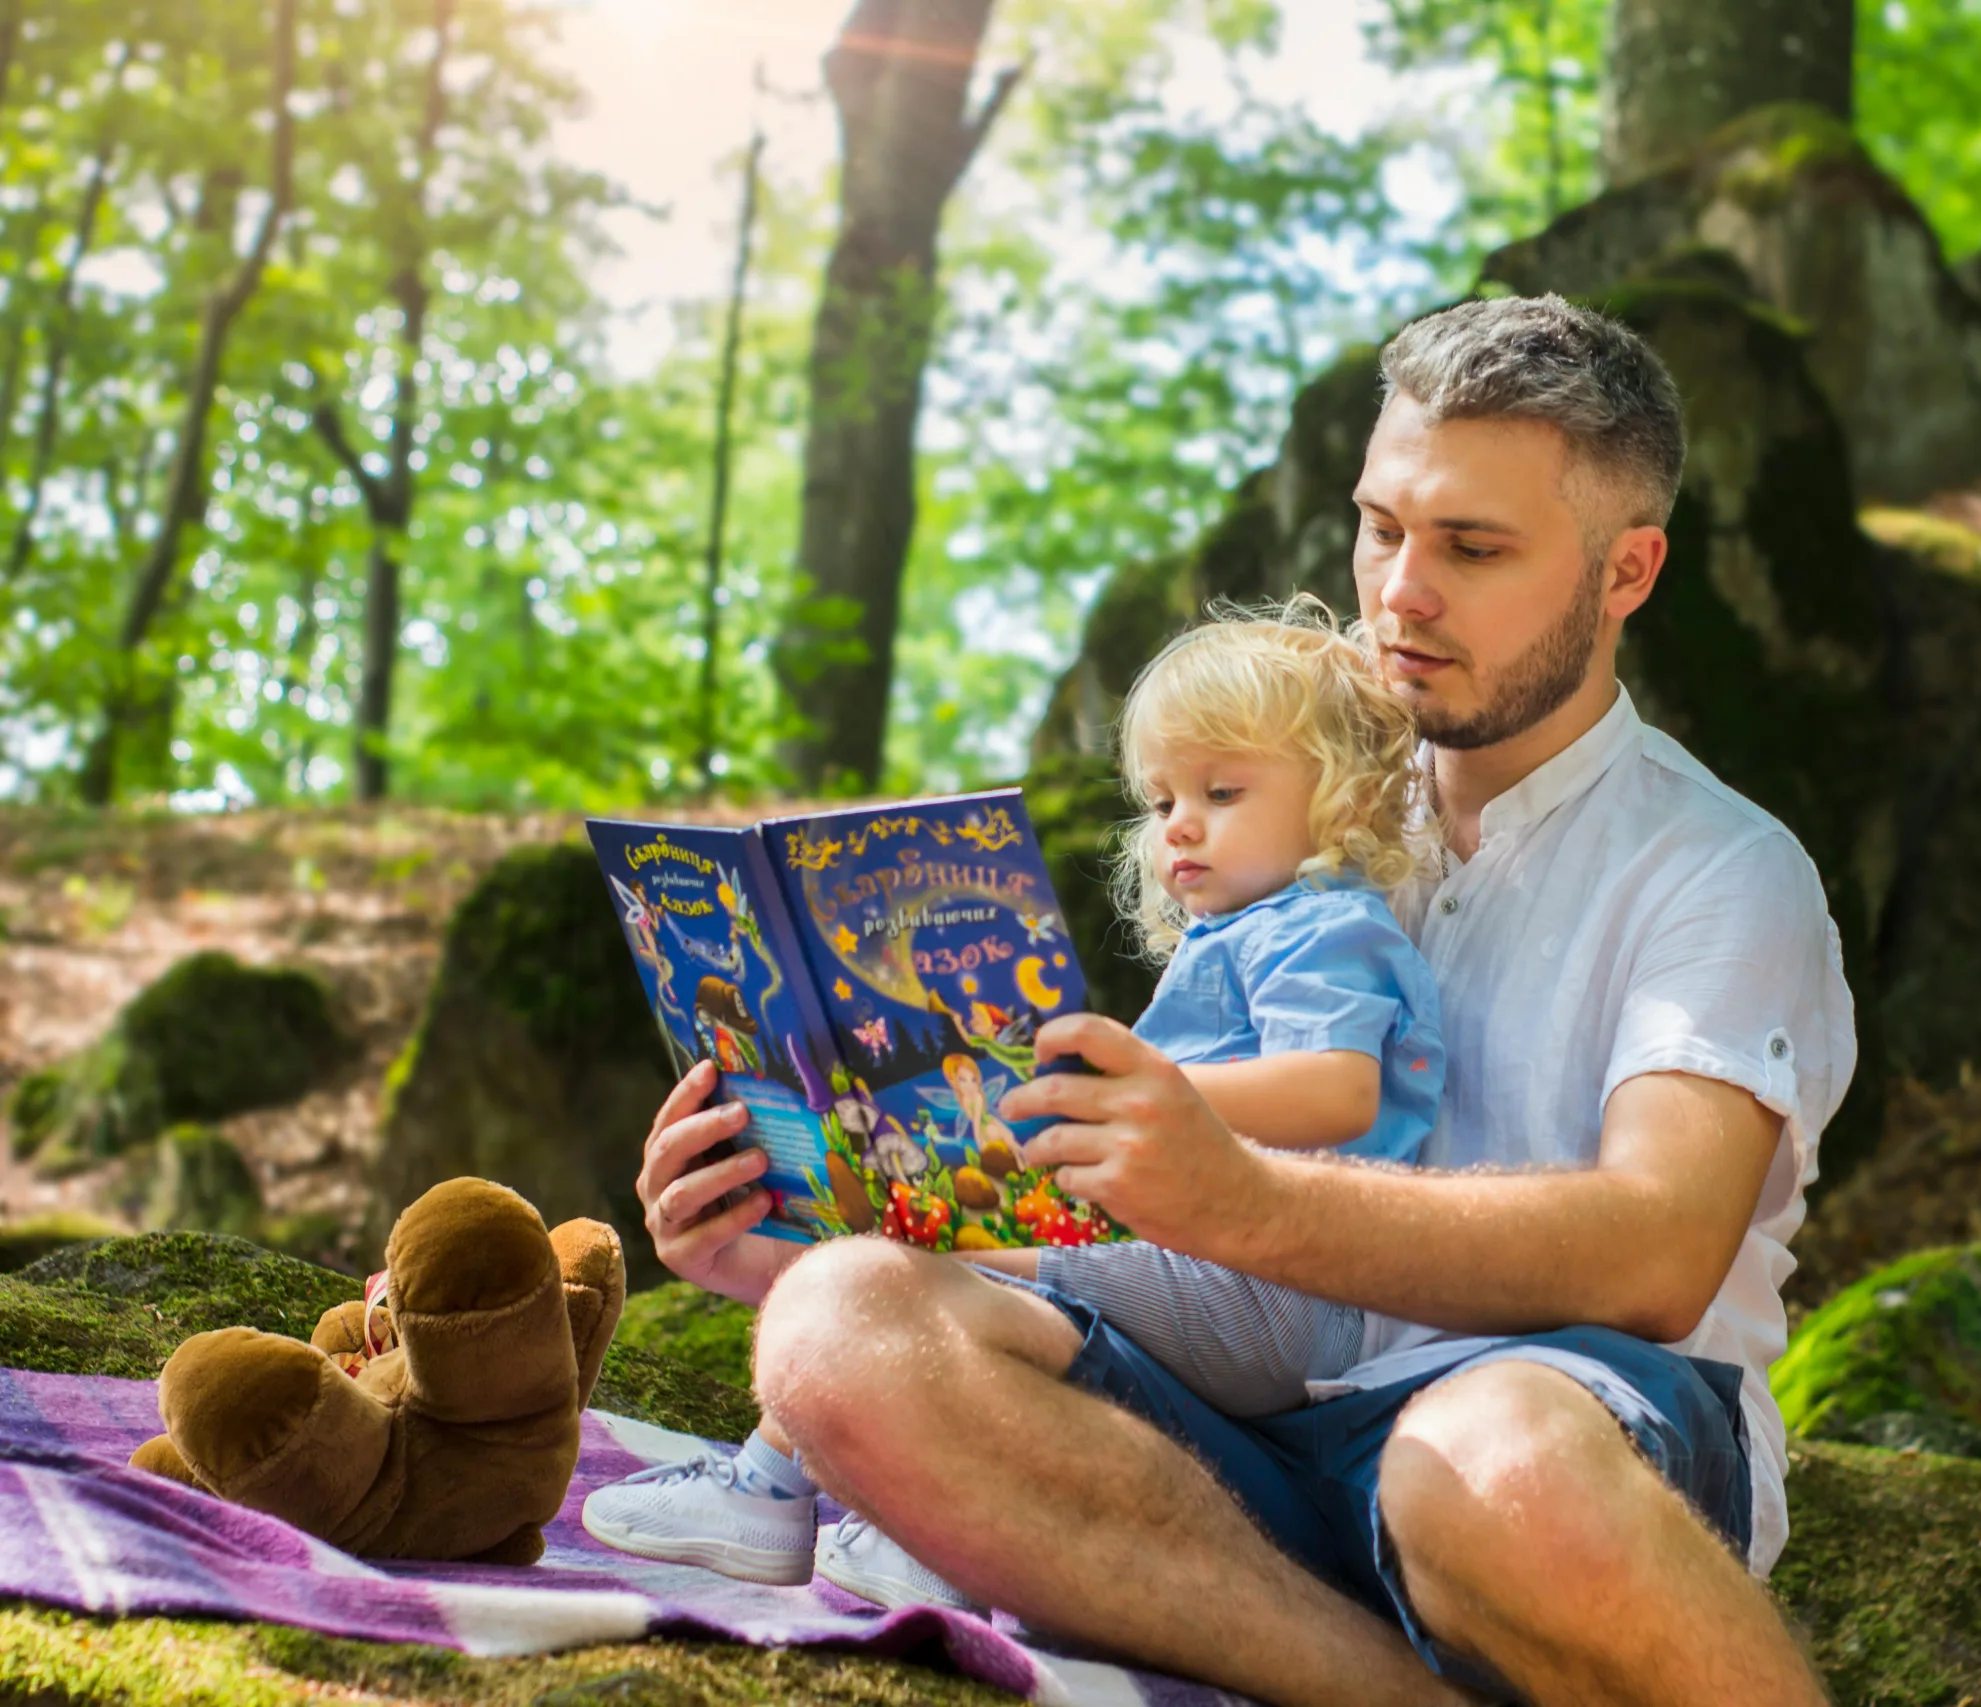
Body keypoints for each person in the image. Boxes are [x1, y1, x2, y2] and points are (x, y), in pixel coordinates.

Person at [638, 294, 1853, 1707]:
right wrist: (799, 1216)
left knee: (1491, 1458)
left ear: (1626, 570)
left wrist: (1233, 1193)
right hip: (1242, 1427)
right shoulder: (1289, 798)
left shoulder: (1719, 867)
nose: (1401, 588)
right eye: (1383, 525)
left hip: (1563, 1433)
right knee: (839, 1320)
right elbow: (1154, 1215)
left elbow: (1658, 1248)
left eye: (1472, 545)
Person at [584, 606, 1447, 1592]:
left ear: (1347, 797)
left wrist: (1138, 1094)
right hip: (1208, 1270)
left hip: (1270, 1293)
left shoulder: (1326, 926)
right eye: (1161, 801)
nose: (1182, 826)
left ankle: (793, 1500)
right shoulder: (1248, 934)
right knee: (910, 1253)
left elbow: (1337, 1090)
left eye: (1222, 789)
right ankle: (871, 1516)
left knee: (927, 1270)